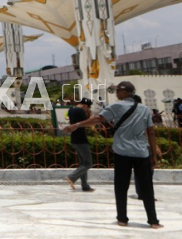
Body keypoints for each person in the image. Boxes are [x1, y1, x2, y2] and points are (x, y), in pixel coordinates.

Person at [64, 81, 161, 229]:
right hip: (142, 152)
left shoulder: (116, 106)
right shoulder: (144, 109)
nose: (116, 93)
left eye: (117, 91)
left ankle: (122, 218)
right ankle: (153, 221)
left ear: (123, 93)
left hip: (123, 152)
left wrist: (76, 125)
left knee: (121, 187)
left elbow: (97, 119)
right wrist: (154, 154)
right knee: (147, 187)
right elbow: (151, 132)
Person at [65, 97, 95, 192]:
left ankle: (85, 185)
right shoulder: (80, 111)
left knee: (83, 163)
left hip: (74, 138)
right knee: (88, 163)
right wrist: (91, 116)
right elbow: (88, 123)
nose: (87, 110)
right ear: (86, 106)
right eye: (87, 108)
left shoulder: (71, 109)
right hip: (81, 139)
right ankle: (72, 177)